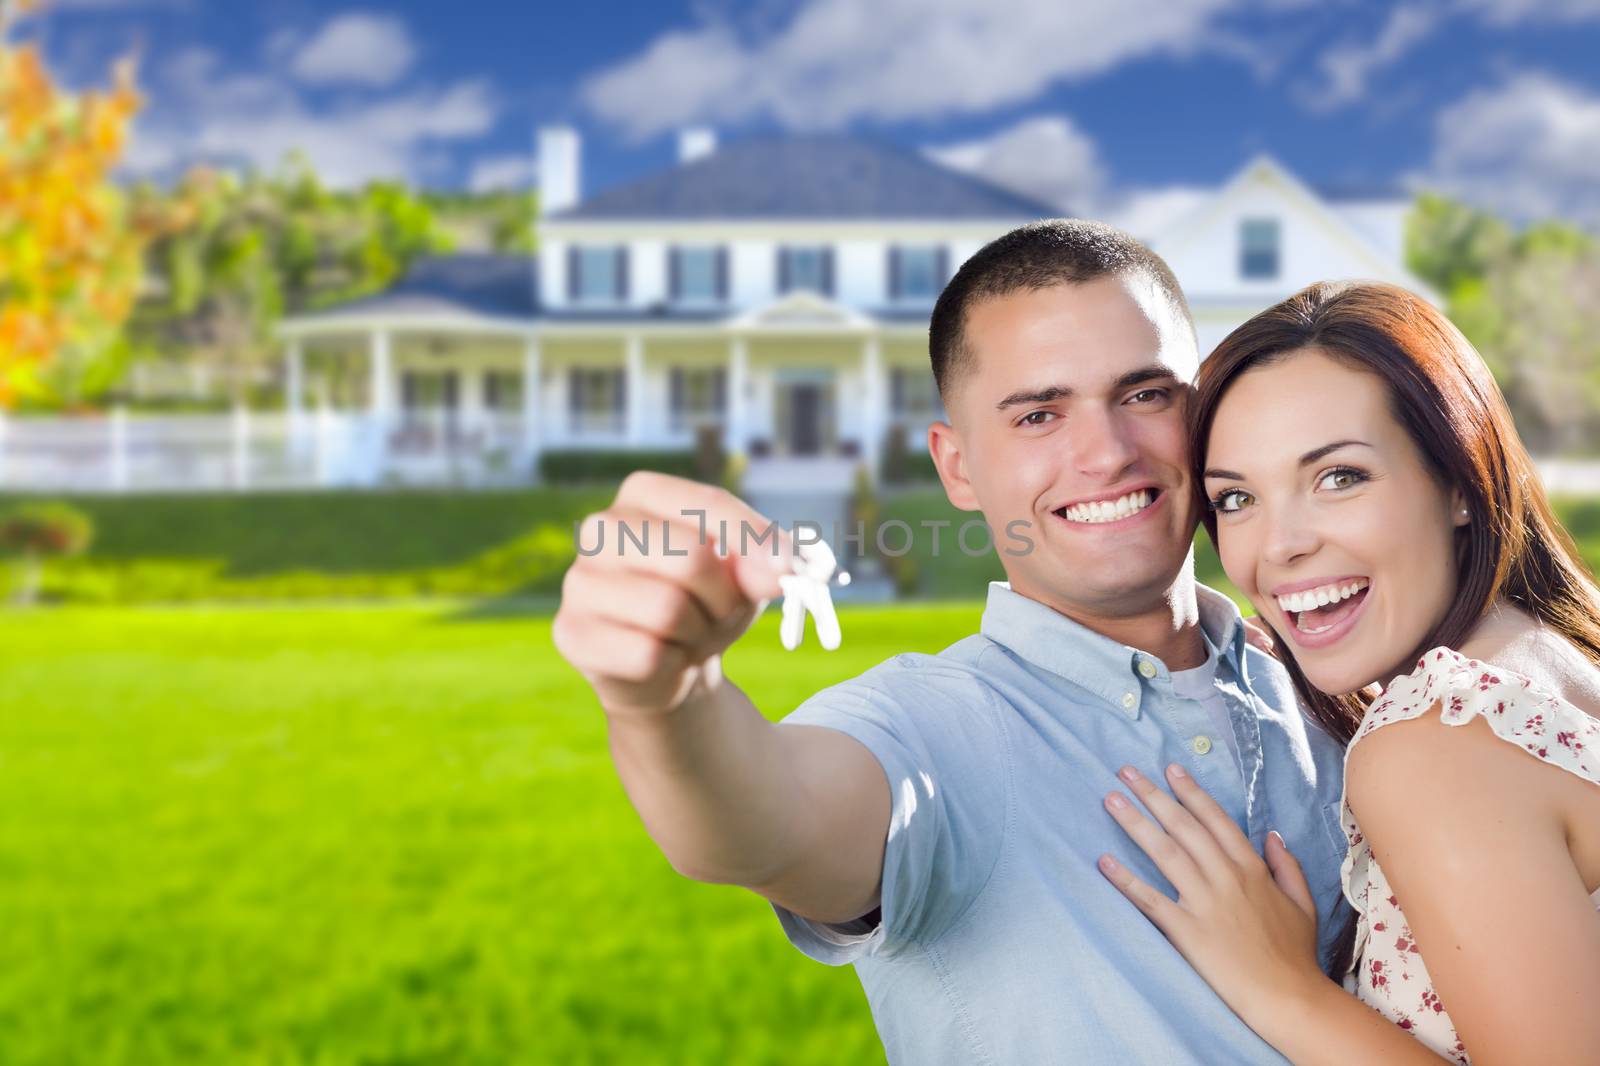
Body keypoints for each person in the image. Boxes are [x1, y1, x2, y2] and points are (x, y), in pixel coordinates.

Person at [553, 220, 1351, 1064]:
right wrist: (665, 701)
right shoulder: (934, 726)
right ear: (958, 468)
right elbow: (769, 819)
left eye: (1145, 394)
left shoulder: (1322, 677)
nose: (1108, 452)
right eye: (1039, 415)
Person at [1096, 281, 1600, 1064]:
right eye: (1236, 499)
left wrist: (1280, 987)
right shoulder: (1552, 657)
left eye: (1339, 477)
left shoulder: (1437, 747)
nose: (1280, 546)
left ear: (1460, 481)